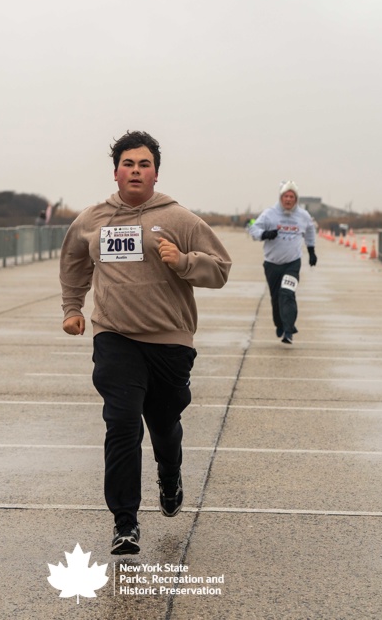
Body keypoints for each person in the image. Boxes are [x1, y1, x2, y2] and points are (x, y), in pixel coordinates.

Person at [59, 130, 231, 556]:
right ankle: (125, 523)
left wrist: (185, 261)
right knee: (121, 423)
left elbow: (221, 269)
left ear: (156, 173)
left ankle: (169, 474)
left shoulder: (179, 219)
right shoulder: (93, 219)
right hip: (114, 336)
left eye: (144, 164)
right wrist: (72, 307)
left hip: (170, 341)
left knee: (164, 423)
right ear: (116, 172)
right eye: (128, 164)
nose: (135, 171)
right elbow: (74, 261)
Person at [248, 181, 317, 344]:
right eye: (286, 196)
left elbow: (310, 231)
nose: (288, 199)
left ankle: (288, 330)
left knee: (287, 294)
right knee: (276, 298)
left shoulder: (303, 215)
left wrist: (311, 251)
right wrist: (265, 234)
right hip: (272, 263)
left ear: (296, 199)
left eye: (292, 197)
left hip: (292, 263)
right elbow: (253, 229)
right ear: (281, 198)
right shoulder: (269, 214)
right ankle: (280, 324)